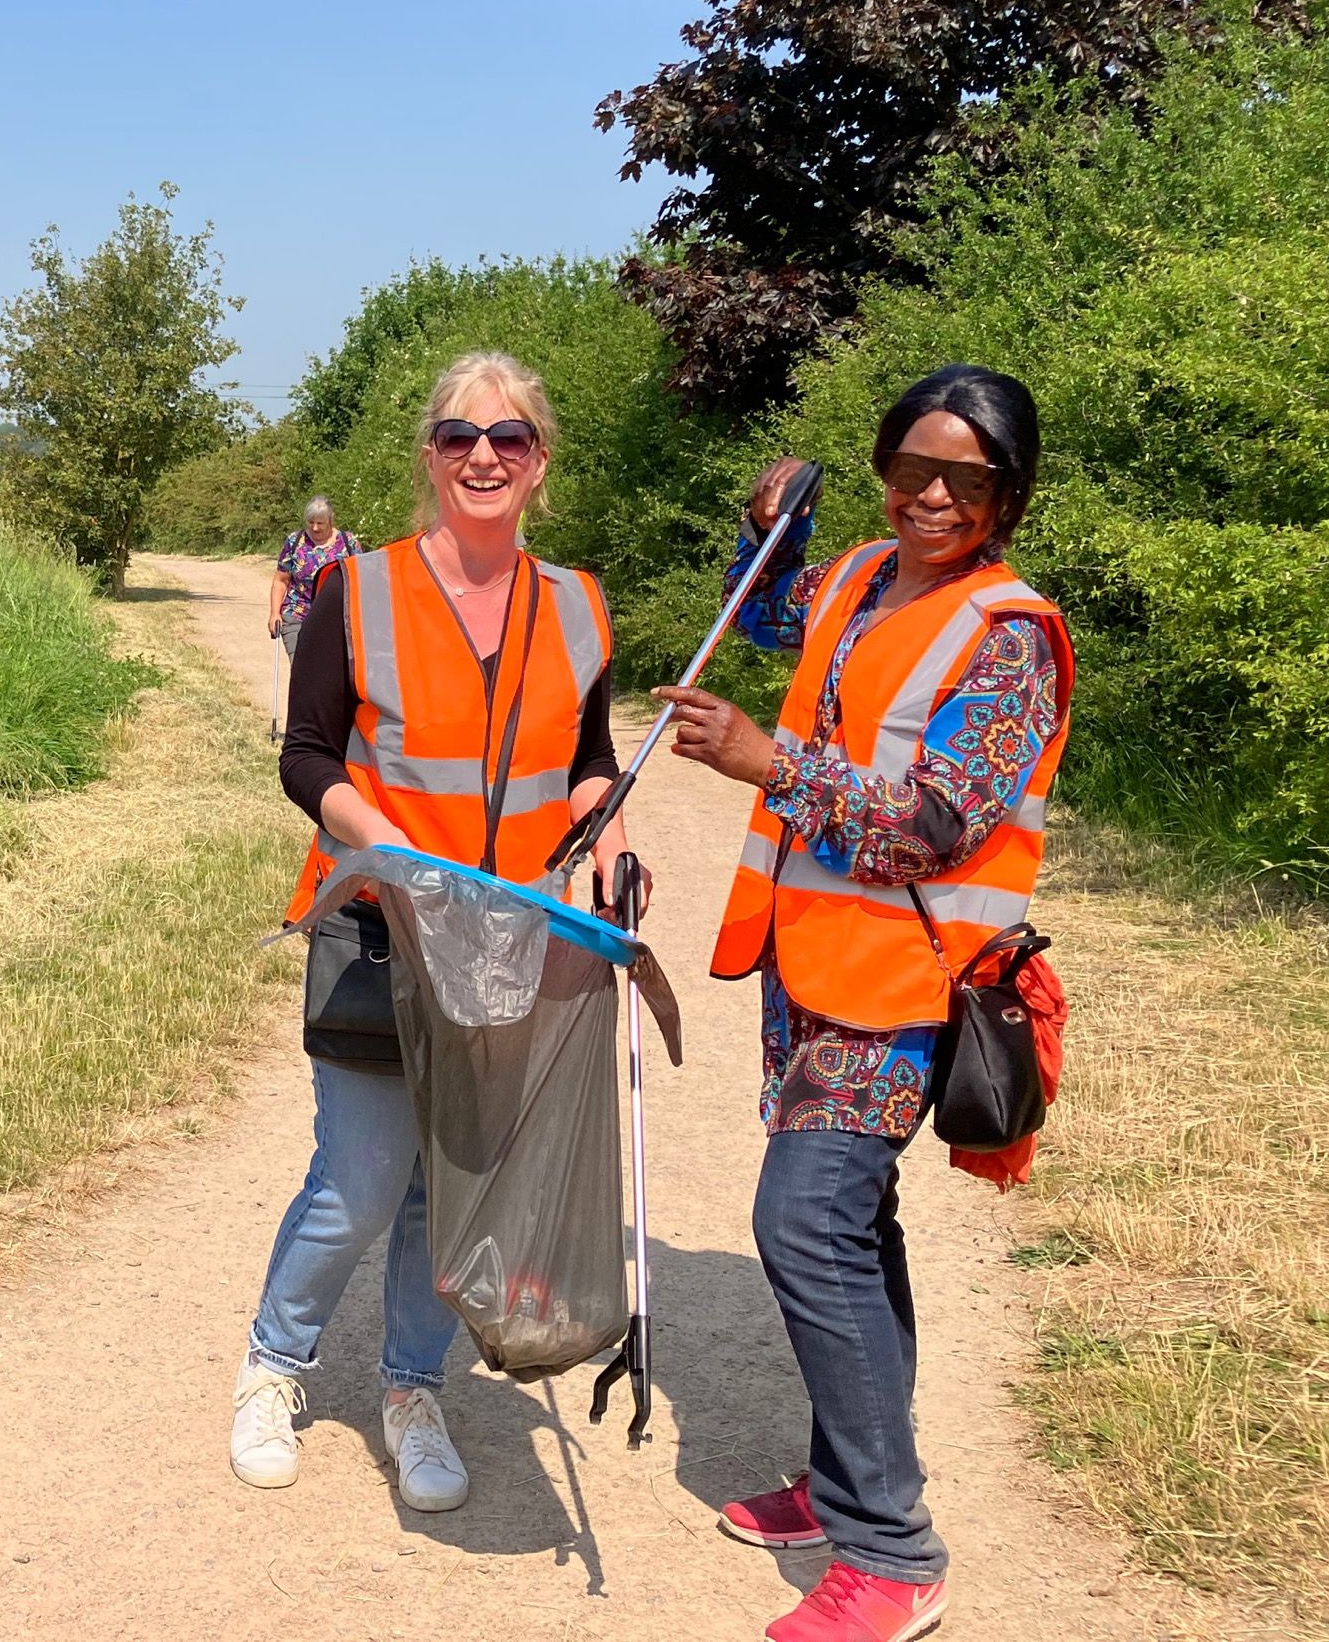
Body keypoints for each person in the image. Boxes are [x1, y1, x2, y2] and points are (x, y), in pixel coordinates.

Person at [653, 365, 1072, 1642]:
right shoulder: (854, 577)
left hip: (911, 983)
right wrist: (767, 525)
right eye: (910, 469)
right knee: (851, 1230)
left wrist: (767, 762)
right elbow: (768, 614)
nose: (932, 497)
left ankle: (893, 1554)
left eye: (965, 479)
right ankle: (844, 1483)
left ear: (1008, 496)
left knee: (802, 1224)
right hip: (811, 965)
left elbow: (941, 823)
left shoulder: (1008, 636)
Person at [232, 351, 644, 1514]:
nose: (483, 456)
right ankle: (274, 1364)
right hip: (382, 931)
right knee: (362, 1184)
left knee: (448, 1190)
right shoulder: (356, 591)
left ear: (538, 462)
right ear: (429, 455)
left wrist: (609, 839)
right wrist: (391, 850)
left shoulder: (577, 605)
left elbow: (586, 761)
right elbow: (306, 754)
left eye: (508, 438)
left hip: (512, 942)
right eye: (460, 435)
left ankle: (413, 1389)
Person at [267, 497, 360, 660]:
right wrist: (274, 613)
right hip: (297, 613)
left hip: (334, 618)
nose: (315, 528)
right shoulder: (294, 541)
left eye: (320, 523)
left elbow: (360, 580)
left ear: (330, 520)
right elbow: (281, 580)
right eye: (311, 522)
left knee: (327, 670)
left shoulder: (348, 543)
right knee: (300, 666)